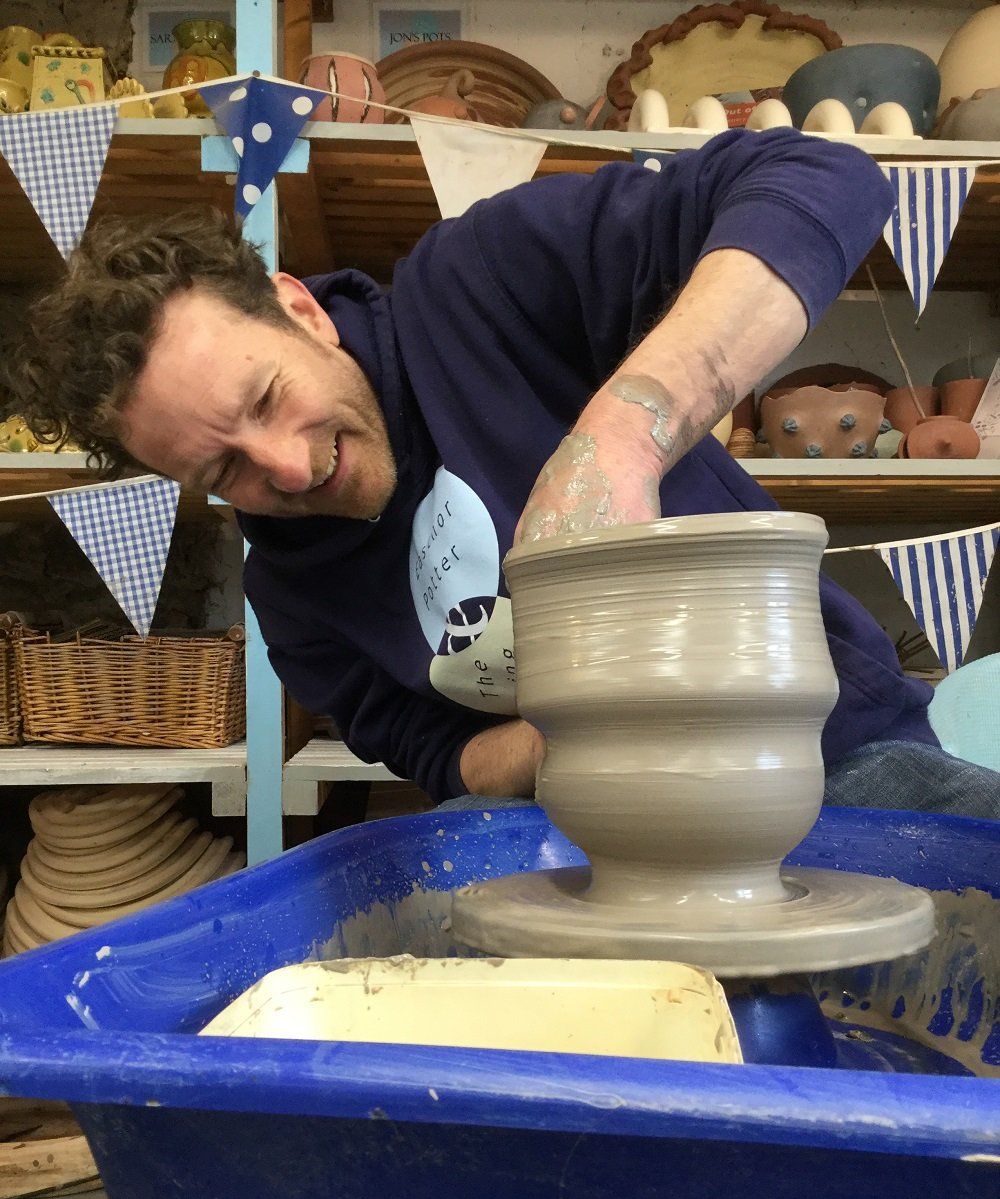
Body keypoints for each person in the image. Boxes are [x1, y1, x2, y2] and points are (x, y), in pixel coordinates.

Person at [11, 127, 1000, 819]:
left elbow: (821, 174)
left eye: (267, 398)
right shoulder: (292, 594)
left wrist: (625, 428)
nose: (290, 466)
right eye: (224, 467)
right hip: (588, 835)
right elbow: (423, 745)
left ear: (297, 309)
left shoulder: (483, 284)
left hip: (833, 752)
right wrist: (548, 747)